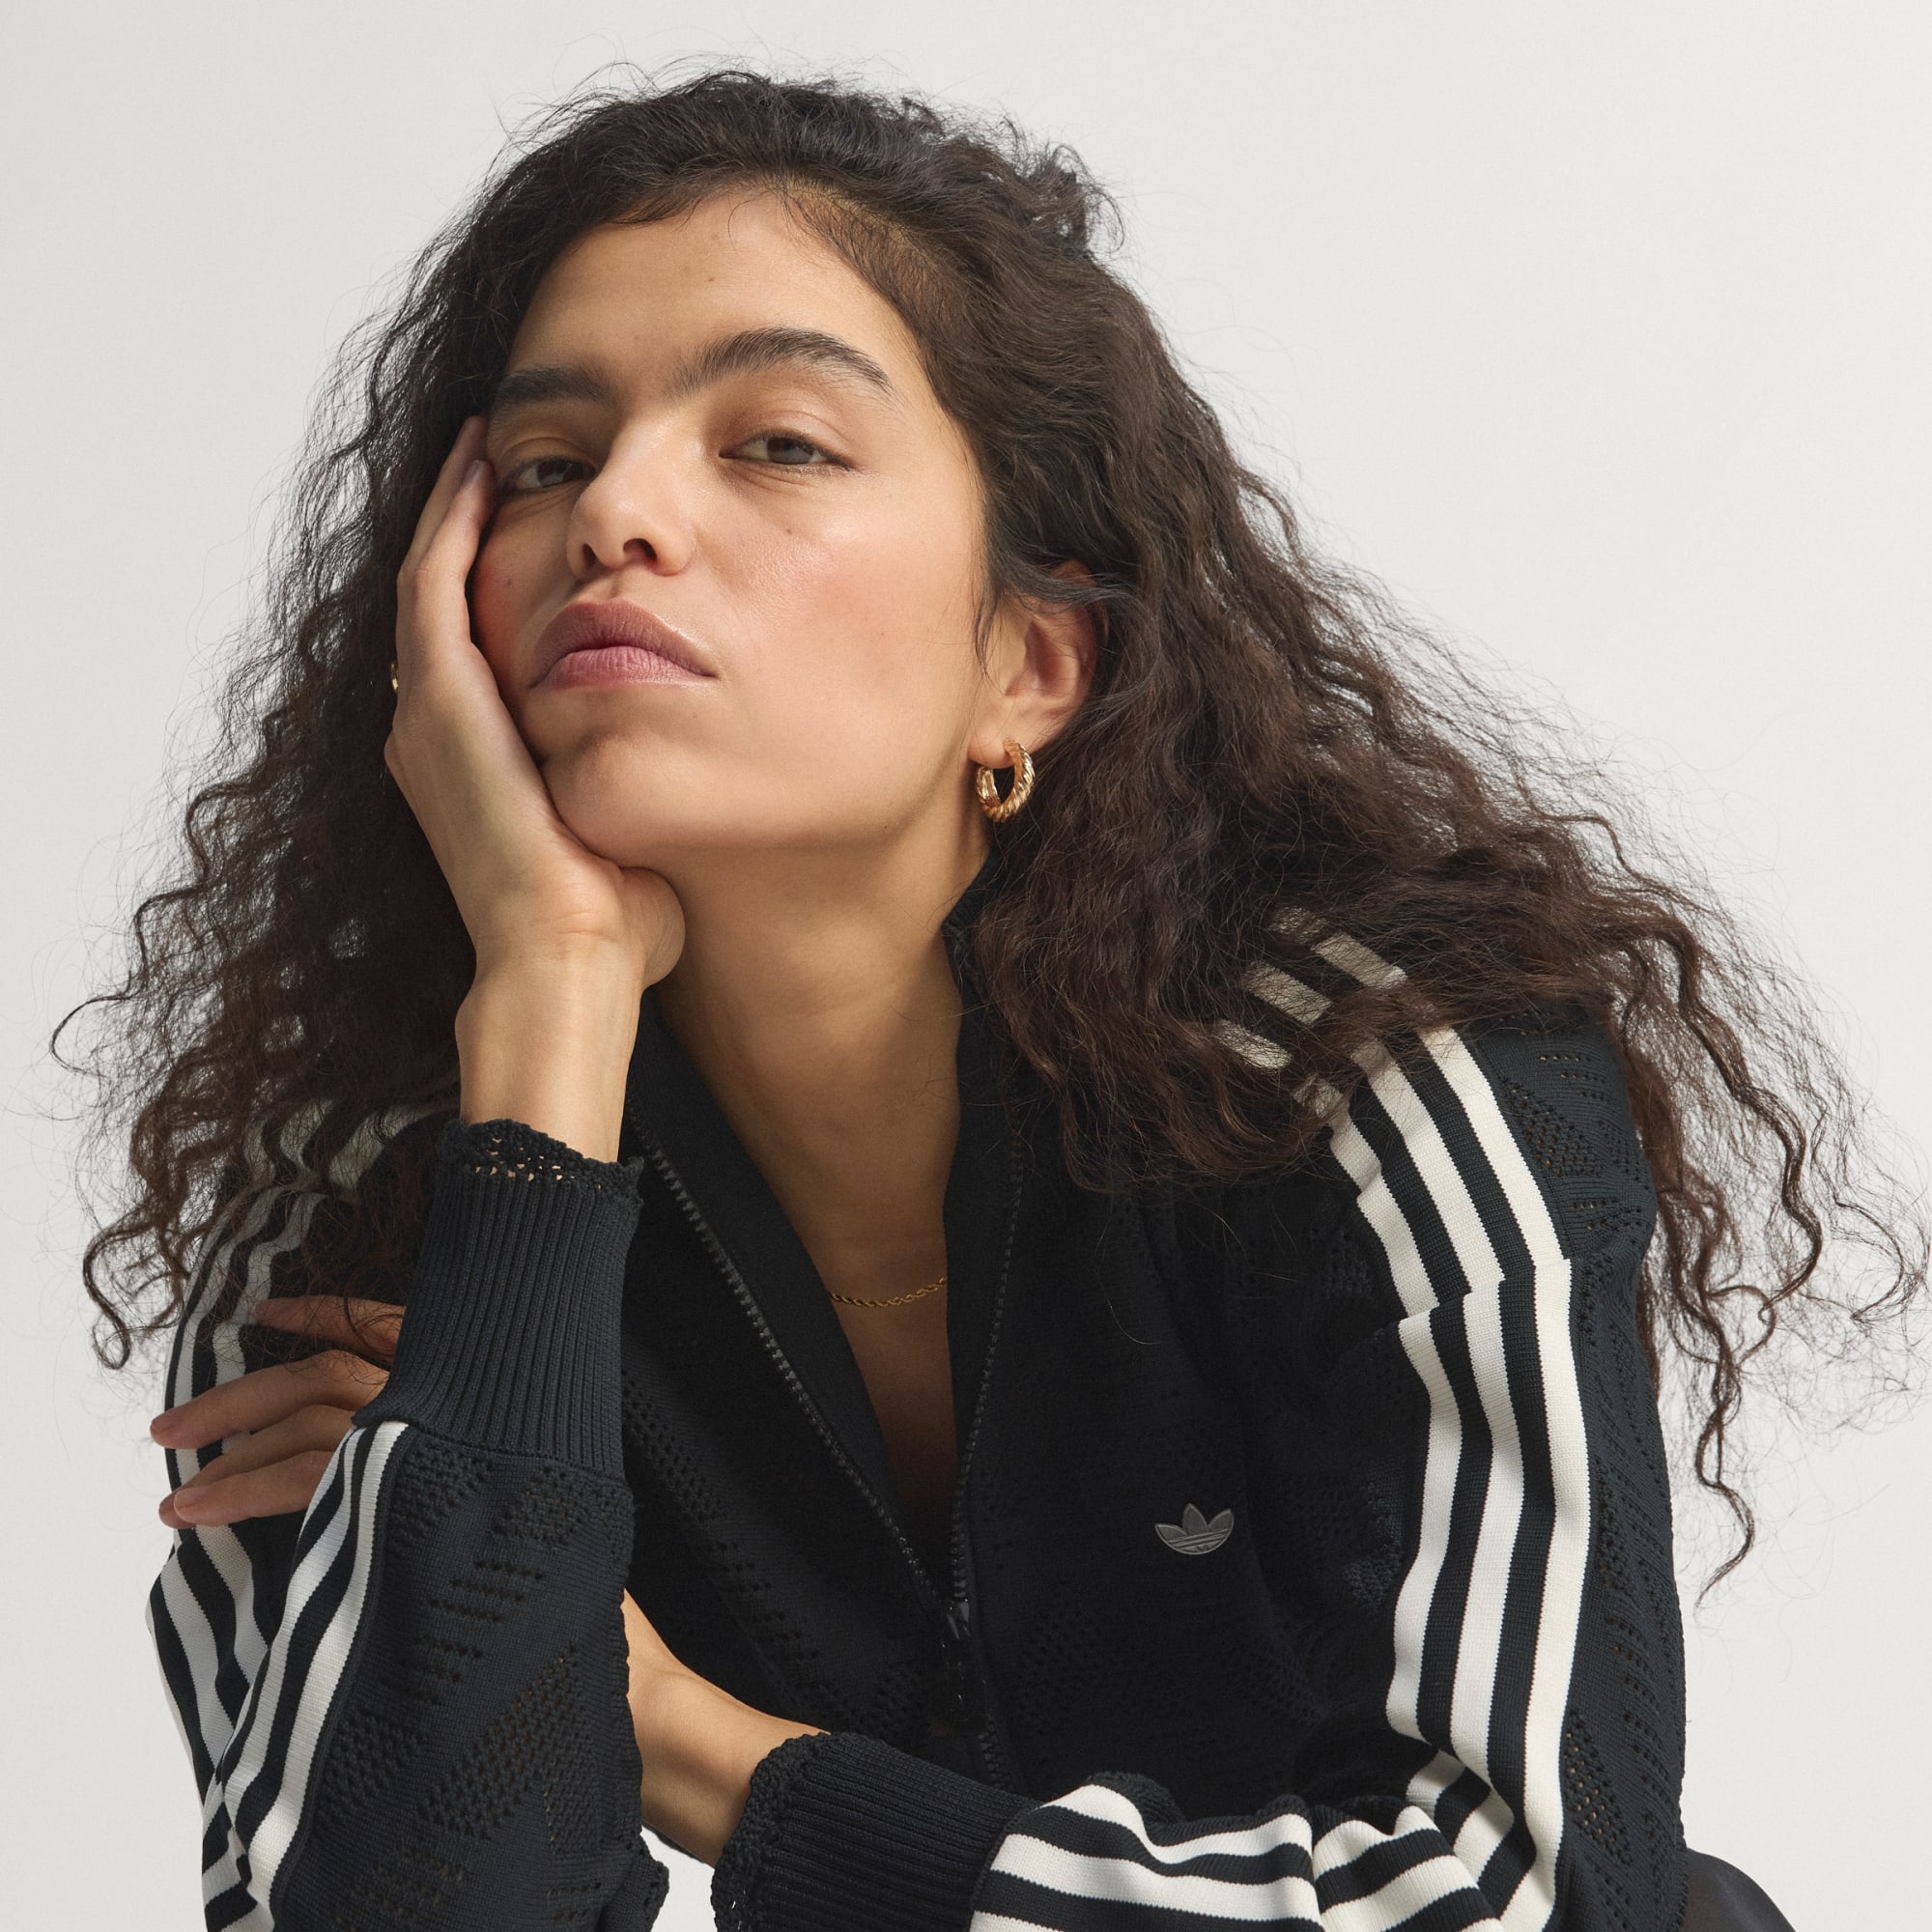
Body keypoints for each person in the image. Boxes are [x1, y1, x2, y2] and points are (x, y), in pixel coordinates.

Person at [72, 69, 1916, 1932]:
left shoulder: (1369, 1081)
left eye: (776, 443)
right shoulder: (376, 1226)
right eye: (543, 462)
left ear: (1031, 661)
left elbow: (1528, 1898)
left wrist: (696, 1743)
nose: (615, 511)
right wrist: (545, 1024)